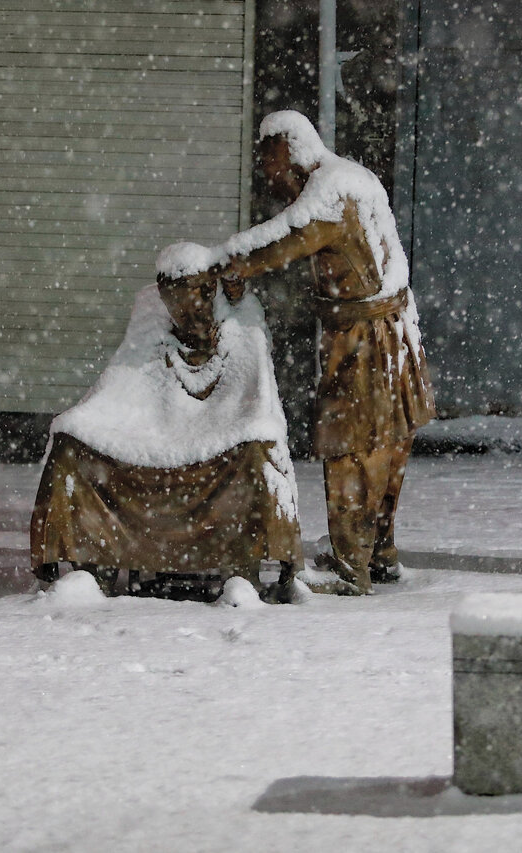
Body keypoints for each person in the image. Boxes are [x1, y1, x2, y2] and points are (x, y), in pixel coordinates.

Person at [199, 110, 436, 595]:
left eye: (272, 166)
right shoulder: (356, 177)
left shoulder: (329, 193)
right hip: (393, 330)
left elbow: (283, 240)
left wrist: (225, 263)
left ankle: (353, 571)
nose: (272, 180)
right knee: (387, 444)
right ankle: (379, 552)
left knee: (351, 449)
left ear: (290, 152)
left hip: (366, 339)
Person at [30, 242, 301, 599]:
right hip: (151, 432)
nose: (182, 317)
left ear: (208, 291)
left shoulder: (239, 320)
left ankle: (241, 571)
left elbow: (256, 402)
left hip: (221, 435)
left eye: (190, 304)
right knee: (71, 443)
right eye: (173, 306)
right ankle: (93, 567)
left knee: (256, 450)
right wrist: (83, 422)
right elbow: (120, 387)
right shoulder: (152, 320)